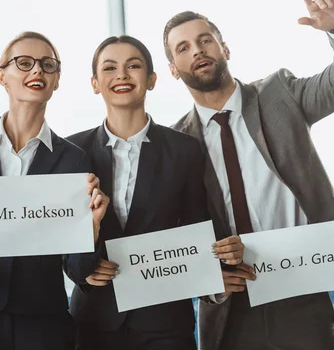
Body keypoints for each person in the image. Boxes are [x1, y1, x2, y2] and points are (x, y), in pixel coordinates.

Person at [165, 0, 334, 350]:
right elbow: (174, 229)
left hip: (301, 285)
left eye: (205, 40)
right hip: (231, 303)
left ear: (224, 49)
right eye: (183, 48)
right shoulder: (175, 143)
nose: (197, 50)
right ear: (172, 69)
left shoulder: (279, 94)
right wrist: (208, 278)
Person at [66, 35, 247, 350]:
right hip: (93, 322)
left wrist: (214, 278)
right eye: (110, 68)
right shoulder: (70, 153)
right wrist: (84, 269)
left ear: (151, 79)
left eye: (133, 66)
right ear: (95, 83)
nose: (122, 75)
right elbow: (62, 245)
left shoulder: (184, 150)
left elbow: (196, 227)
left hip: (165, 324)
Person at [0, 31, 110, 350]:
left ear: (57, 80)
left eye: (47, 65)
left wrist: (91, 227)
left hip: (45, 321)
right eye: (24, 63)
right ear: (3, 77)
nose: (37, 71)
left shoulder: (74, 159)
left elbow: (80, 269)